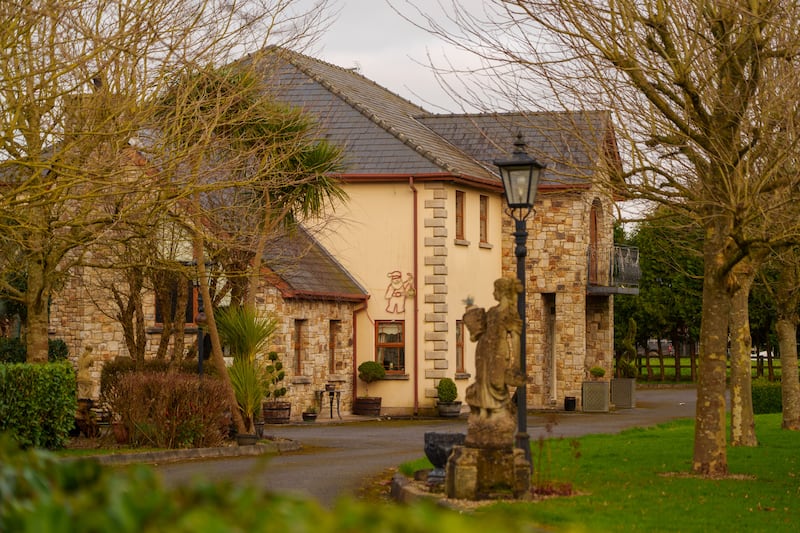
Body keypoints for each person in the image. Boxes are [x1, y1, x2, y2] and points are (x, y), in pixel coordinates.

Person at [463, 277, 525, 419]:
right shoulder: (491, 311)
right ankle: (484, 413)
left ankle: (499, 415)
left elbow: (515, 337)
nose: (492, 294)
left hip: (499, 352)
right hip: (484, 352)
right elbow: (480, 331)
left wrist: (516, 363)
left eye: (495, 290)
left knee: (496, 384)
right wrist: (472, 315)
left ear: (501, 292)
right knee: (482, 381)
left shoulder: (510, 312)